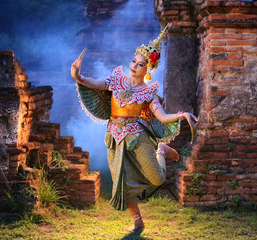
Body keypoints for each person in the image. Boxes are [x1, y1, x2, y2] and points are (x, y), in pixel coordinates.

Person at [71, 24, 198, 232]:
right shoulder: (116, 80)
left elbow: (163, 116)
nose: (134, 66)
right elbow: (96, 83)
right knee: (121, 181)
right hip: (114, 137)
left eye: (140, 64)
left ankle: (161, 150)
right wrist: (78, 76)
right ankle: (138, 221)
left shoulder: (148, 93)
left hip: (138, 139)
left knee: (157, 178)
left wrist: (181, 115)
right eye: (133, 61)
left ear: (147, 69)